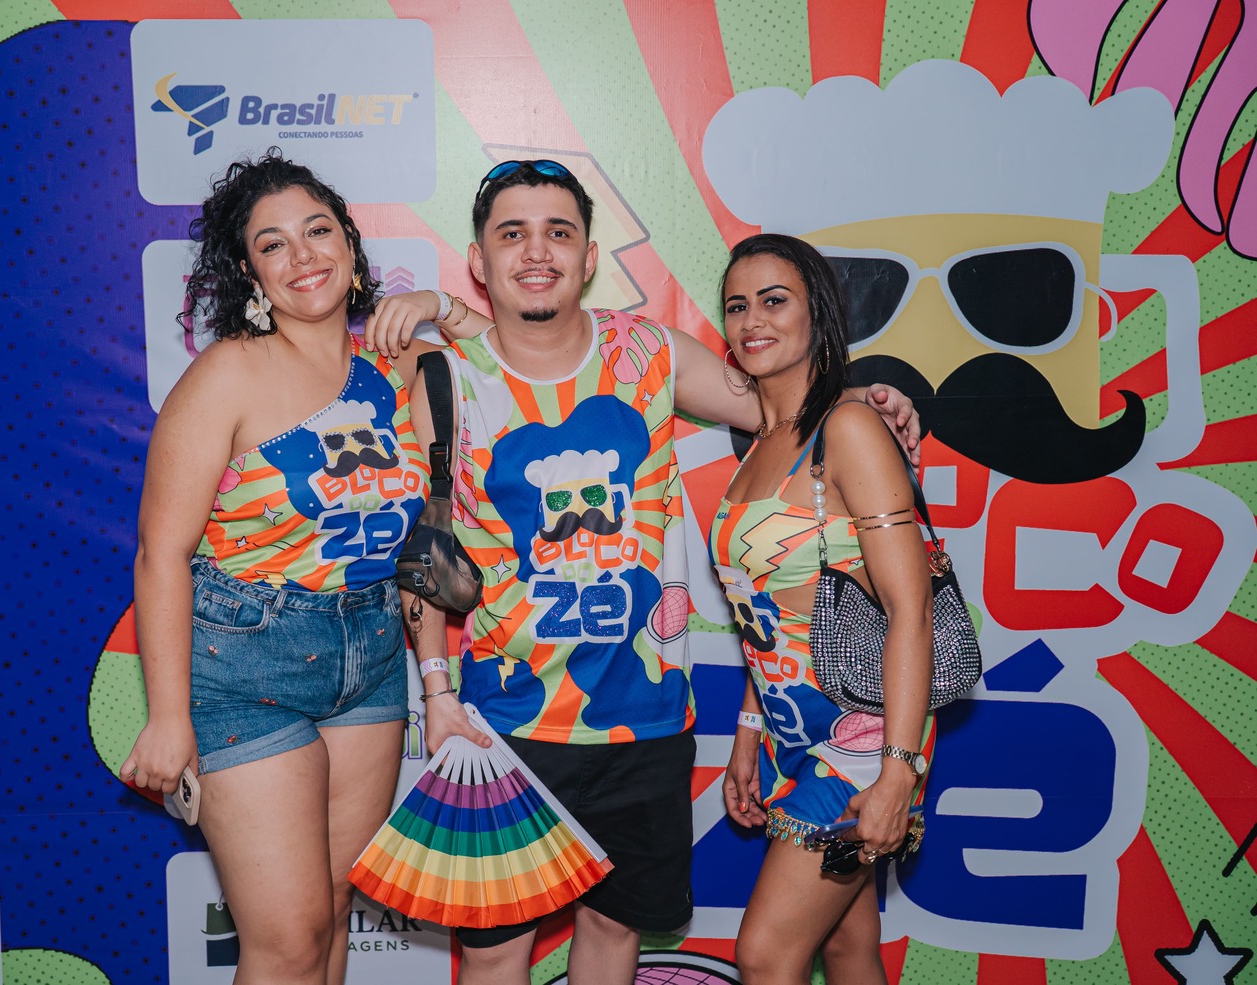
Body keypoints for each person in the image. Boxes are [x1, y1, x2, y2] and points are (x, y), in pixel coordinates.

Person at [390, 161, 923, 985]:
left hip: (647, 723)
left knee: (614, 928)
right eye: (512, 233)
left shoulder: (648, 353)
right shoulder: (446, 379)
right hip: (504, 725)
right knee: (492, 952)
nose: (536, 251)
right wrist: (435, 690)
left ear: (588, 256)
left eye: (557, 232)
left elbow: (786, 409)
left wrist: (869, 400)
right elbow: (429, 549)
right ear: (478, 259)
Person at [117, 148, 488, 985]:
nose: (302, 255)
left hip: (370, 653)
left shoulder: (399, 365)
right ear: (250, 273)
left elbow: (521, 359)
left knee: (329, 918)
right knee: (285, 942)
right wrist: (167, 716)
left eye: (318, 231)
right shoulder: (227, 374)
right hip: (246, 660)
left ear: (351, 247)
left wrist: (439, 307)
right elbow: (160, 553)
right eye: (272, 244)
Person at [710, 234, 933, 985]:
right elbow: (768, 613)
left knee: (766, 955)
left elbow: (909, 609)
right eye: (736, 305)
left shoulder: (848, 428)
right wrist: (749, 730)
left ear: (819, 315)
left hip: (862, 737)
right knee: (845, 945)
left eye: (774, 301)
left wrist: (897, 772)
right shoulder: (760, 442)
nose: (752, 319)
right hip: (791, 733)